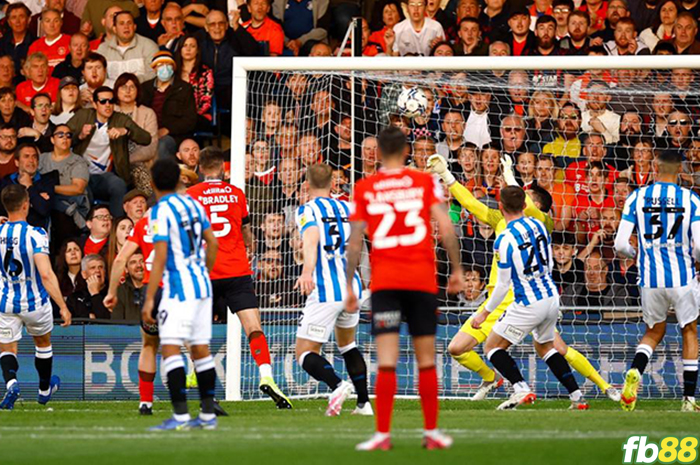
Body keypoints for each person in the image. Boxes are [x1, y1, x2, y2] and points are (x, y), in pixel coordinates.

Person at [428, 153, 621, 402]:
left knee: (551, 348)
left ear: (537, 205)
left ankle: (603, 386)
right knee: (457, 348)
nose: (526, 198)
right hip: (505, 299)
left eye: (530, 196)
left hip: (523, 297)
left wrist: (510, 177)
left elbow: (524, 206)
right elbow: (472, 205)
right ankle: (492, 379)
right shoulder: (504, 221)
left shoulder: (542, 221)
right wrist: (448, 177)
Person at [346, 127, 462, 450]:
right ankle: (432, 433)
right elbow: (448, 228)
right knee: (426, 360)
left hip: (386, 284)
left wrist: (349, 285)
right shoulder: (424, 182)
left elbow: (355, 241)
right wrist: (457, 270)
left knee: (386, 360)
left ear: (379, 152)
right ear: (408, 150)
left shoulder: (366, 187)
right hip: (422, 280)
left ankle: (382, 435)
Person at [186, 147, 292, 409]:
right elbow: (246, 234)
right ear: (223, 169)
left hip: (205, 271)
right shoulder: (237, 194)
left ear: (199, 168)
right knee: (253, 327)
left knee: (197, 329)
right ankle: (266, 374)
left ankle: (194, 373)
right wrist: (249, 248)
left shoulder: (190, 196)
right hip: (237, 270)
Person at [470, 185, 589, 411]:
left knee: (493, 346)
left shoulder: (503, 240)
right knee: (545, 347)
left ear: (501, 207)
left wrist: (483, 313)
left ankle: (520, 388)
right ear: (525, 206)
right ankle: (577, 396)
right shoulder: (539, 225)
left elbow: (503, 285)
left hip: (528, 301)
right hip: (552, 297)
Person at [614, 149, 700, 412]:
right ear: (680, 171)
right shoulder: (691, 199)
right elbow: (699, 246)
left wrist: (636, 253)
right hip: (683, 277)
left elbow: (619, 245)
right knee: (689, 330)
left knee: (653, 332)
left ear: (655, 167)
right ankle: (688, 399)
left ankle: (635, 371)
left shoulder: (636, 197)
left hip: (650, 278)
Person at [141, 158, 220, 430]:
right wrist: (204, 271)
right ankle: (208, 416)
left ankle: (181, 416)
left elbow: (160, 256)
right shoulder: (194, 204)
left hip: (177, 288)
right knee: (200, 349)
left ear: (152, 184)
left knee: (171, 348)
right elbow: (213, 242)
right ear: (178, 180)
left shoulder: (158, 212)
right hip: (202, 285)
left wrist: (150, 297)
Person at [293, 163, 371, 417]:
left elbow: (312, 238)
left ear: (306, 184)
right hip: (353, 288)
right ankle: (364, 404)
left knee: (305, 352)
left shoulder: (306, 210)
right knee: (348, 345)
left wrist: (306, 272)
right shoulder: (348, 206)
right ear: (332, 183)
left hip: (326, 290)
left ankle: (338, 385)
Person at [0, 185, 71, 410]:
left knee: (6, 348)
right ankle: (43, 390)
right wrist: (62, 305)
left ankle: (12, 383)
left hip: (6, 301)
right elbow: (46, 274)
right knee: (42, 343)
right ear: (25, 205)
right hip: (35, 302)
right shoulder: (36, 234)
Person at [67, 86, 152, 217]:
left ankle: (116, 227)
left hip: (106, 176)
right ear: (95, 104)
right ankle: (88, 229)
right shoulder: (83, 115)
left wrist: (126, 131)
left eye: (111, 101)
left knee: (118, 185)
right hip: (82, 174)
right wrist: (79, 136)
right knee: (83, 190)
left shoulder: (120, 119)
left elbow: (146, 139)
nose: (108, 105)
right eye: (103, 101)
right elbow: (61, 137)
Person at [140, 51, 197, 161]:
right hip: (147, 134)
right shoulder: (144, 88)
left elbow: (190, 120)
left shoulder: (184, 89)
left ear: (173, 68)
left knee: (162, 146)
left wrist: (168, 129)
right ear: (154, 69)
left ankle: (162, 177)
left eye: (168, 65)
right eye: (160, 65)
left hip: (173, 135)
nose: (165, 68)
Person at [39, 123, 90, 230]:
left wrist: (50, 189)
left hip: (72, 204)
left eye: (68, 135)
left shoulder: (78, 161)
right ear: (52, 139)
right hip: (45, 202)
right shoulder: (42, 159)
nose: (65, 138)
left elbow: (78, 188)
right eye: (60, 135)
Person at [113, 73, 158, 193]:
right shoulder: (109, 111)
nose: (128, 91)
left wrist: (125, 161)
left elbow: (151, 147)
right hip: (111, 162)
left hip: (137, 161)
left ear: (138, 91)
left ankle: (148, 209)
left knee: (140, 172)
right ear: (116, 90)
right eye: (123, 87)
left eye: (132, 87)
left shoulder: (148, 113)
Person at [0, 143, 57, 230]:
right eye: (26, 156)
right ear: (17, 162)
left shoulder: (47, 181)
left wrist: (29, 186)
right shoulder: (6, 181)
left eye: (34, 157)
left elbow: (44, 210)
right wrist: (36, 198)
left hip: (36, 236)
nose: (31, 160)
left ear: (38, 162)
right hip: (9, 234)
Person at [97, 11, 159, 82]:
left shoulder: (149, 46)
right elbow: (99, 77)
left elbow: (154, 74)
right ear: (114, 29)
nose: (126, 27)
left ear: (134, 27)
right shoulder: (103, 49)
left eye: (129, 23)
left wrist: (134, 82)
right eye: (121, 23)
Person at [176, 36, 214, 128]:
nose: (188, 49)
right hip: (175, 115)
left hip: (198, 116)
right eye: (184, 46)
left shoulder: (205, 72)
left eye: (192, 46)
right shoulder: (173, 71)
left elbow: (206, 100)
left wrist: (189, 114)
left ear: (197, 50)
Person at [66, 253, 111, 319]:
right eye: (92, 268)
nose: (97, 271)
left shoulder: (113, 294)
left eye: (100, 267)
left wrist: (95, 294)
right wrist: (89, 317)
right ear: (84, 274)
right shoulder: (74, 298)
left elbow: (107, 320)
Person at [111, 249, 145, 321]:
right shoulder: (119, 292)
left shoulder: (158, 289)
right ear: (126, 269)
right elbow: (117, 323)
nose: (139, 265)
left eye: (142, 261)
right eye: (133, 262)